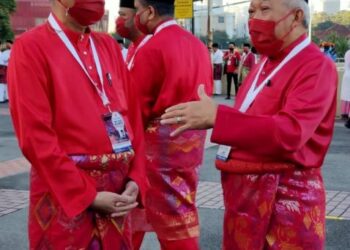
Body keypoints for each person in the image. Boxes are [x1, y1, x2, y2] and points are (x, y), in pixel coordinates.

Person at [161, 0, 337, 249]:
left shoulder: (316, 66)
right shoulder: (264, 62)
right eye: (251, 11)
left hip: (283, 200)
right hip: (246, 199)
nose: (254, 19)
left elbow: (290, 132)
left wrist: (218, 118)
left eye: (265, 10)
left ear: (296, 16)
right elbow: (253, 116)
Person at [7, 0, 148, 249]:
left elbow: (133, 117)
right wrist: (88, 195)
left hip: (118, 192)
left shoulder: (108, 46)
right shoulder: (30, 47)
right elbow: (35, 137)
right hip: (65, 195)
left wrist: (135, 179)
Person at [129, 0, 212, 248]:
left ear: (150, 11)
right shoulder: (197, 45)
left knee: (140, 207)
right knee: (182, 209)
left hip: (161, 145)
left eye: (137, 9)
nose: (137, 15)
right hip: (191, 142)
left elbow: (136, 107)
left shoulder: (153, 47)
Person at [115, 0, 151, 69]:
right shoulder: (132, 46)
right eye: (119, 15)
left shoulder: (149, 47)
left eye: (123, 15)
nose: (119, 19)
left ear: (137, 17)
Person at [341, 49, 350, 120]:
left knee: (345, 95)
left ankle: (344, 112)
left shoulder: (347, 52)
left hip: (346, 74)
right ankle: (347, 113)